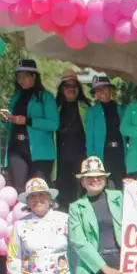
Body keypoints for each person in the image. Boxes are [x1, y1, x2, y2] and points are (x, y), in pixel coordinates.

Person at [2, 60, 59, 193]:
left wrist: (28, 121)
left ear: (34, 76)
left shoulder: (46, 97)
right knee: (17, 188)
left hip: (39, 151)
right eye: (18, 77)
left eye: (24, 76)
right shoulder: (15, 97)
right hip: (16, 147)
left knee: (39, 189)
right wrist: (6, 119)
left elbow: (54, 124)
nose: (21, 80)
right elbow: (10, 125)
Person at [54, 69, 90, 209]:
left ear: (78, 88)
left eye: (73, 86)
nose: (70, 89)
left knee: (81, 191)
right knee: (62, 191)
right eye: (67, 86)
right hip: (60, 157)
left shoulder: (86, 107)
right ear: (62, 89)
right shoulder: (55, 107)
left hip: (82, 157)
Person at [85, 76, 127, 190]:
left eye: (104, 88)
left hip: (119, 152)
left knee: (121, 184)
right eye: (98, 89)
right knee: (106, 186)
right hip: (103, 153)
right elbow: (89, 138)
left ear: (110, 89)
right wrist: (91, 158)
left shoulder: (121, 109)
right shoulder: (92, 111)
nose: (102, 92)